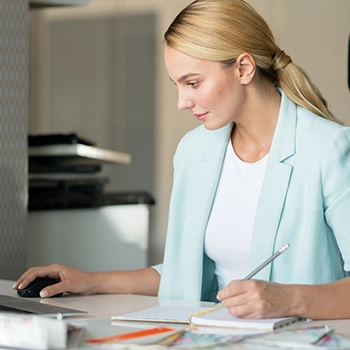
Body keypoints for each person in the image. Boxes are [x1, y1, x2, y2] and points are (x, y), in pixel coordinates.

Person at [14, 0, 350, 320]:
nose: (182, 101)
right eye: (177, 84)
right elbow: (183, 275)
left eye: (192, 83)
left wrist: (288, 299)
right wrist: (90, 281)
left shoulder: (328, 149)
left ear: (244, 68)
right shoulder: (194, 151)